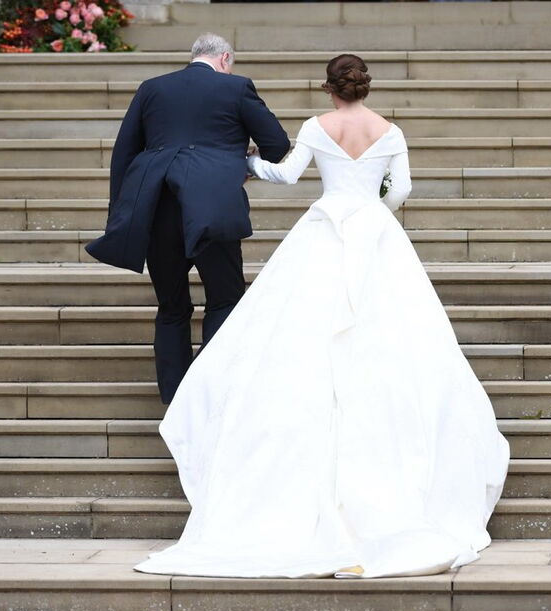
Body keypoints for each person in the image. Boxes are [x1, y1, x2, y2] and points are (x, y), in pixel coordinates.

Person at [133, 54, 510, 579]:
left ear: (329, 88)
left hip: (324, 228)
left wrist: (245, 165)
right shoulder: (390, 131)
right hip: (375, 232)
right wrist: (374, 203)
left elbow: (286, 176)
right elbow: (400, 191)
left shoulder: (316, 126)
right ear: (364, 88)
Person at [85, 33, 290, 404]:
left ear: (194, 56)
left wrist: (121, 213)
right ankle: (210, 393)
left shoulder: (152, 88)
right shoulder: (237, 88)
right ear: (225, 58)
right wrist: (241, 162)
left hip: (157, 206)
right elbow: (277, 143)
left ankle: (175, 398)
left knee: (172, 306)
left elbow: (124, 153)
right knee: (224, 299)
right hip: (212, 206)